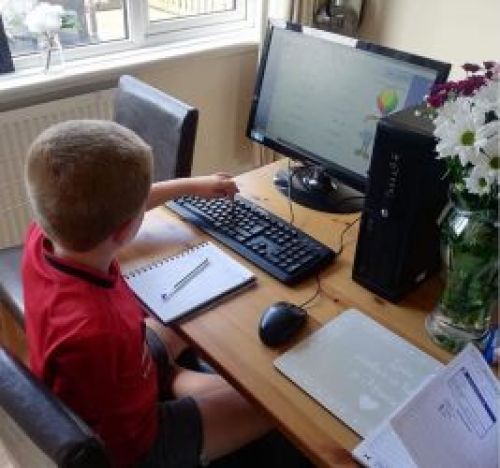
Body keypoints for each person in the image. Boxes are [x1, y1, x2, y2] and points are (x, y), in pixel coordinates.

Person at [22, 120, 311, 468]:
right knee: (281, 406)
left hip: (108, 379)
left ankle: (174, 377)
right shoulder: (98, 329)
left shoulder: (43, 235)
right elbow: (129, 441)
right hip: (140, 445)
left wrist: (191, 186)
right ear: (127, 228)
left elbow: (124, 208)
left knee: (186, 312)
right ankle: (174, 380)